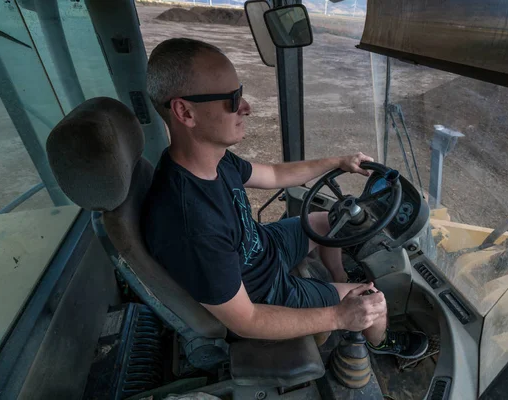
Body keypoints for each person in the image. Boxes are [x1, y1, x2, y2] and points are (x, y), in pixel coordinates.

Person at [143, 38, 428, 358]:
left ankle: (339, 279)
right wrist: (341, 316)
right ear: (185, 111)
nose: (246, 107)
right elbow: (246, 320)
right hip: (266, 291)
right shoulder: (189, 223)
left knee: (329, 219)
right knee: (371, 299)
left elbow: (275, 175)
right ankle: (382, 342)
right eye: (233, 99)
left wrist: (338, 162)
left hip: (263, 247)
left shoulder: (215, 159)